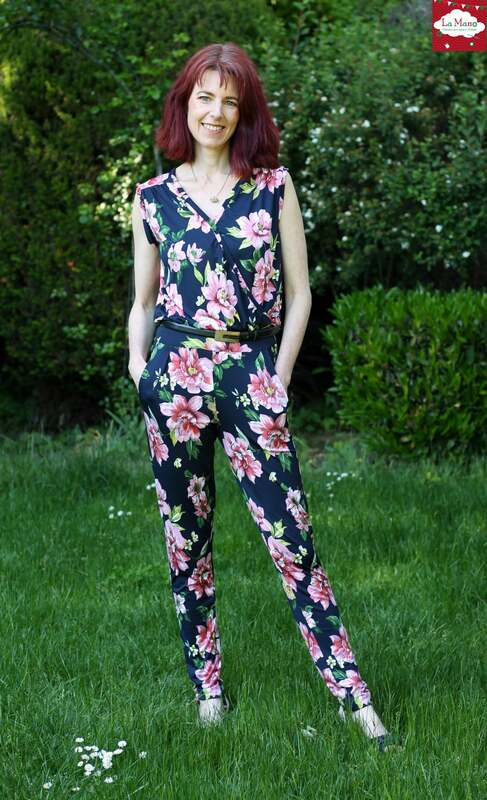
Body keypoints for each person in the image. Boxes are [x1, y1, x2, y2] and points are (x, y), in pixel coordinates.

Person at [128, 42, 402, 751]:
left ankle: (353, 698)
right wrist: (138, 366)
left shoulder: (273, 187)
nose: (215, 112)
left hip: (252, 374)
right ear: (184, 104)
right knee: (186, 541)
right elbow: (144, 300)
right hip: (175, 379)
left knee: (292, 539)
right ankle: (208, 691)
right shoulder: (153, 198)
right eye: (204, 98)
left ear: (244, 112)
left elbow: (301, 292)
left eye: (230, 101)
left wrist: (277, 379)